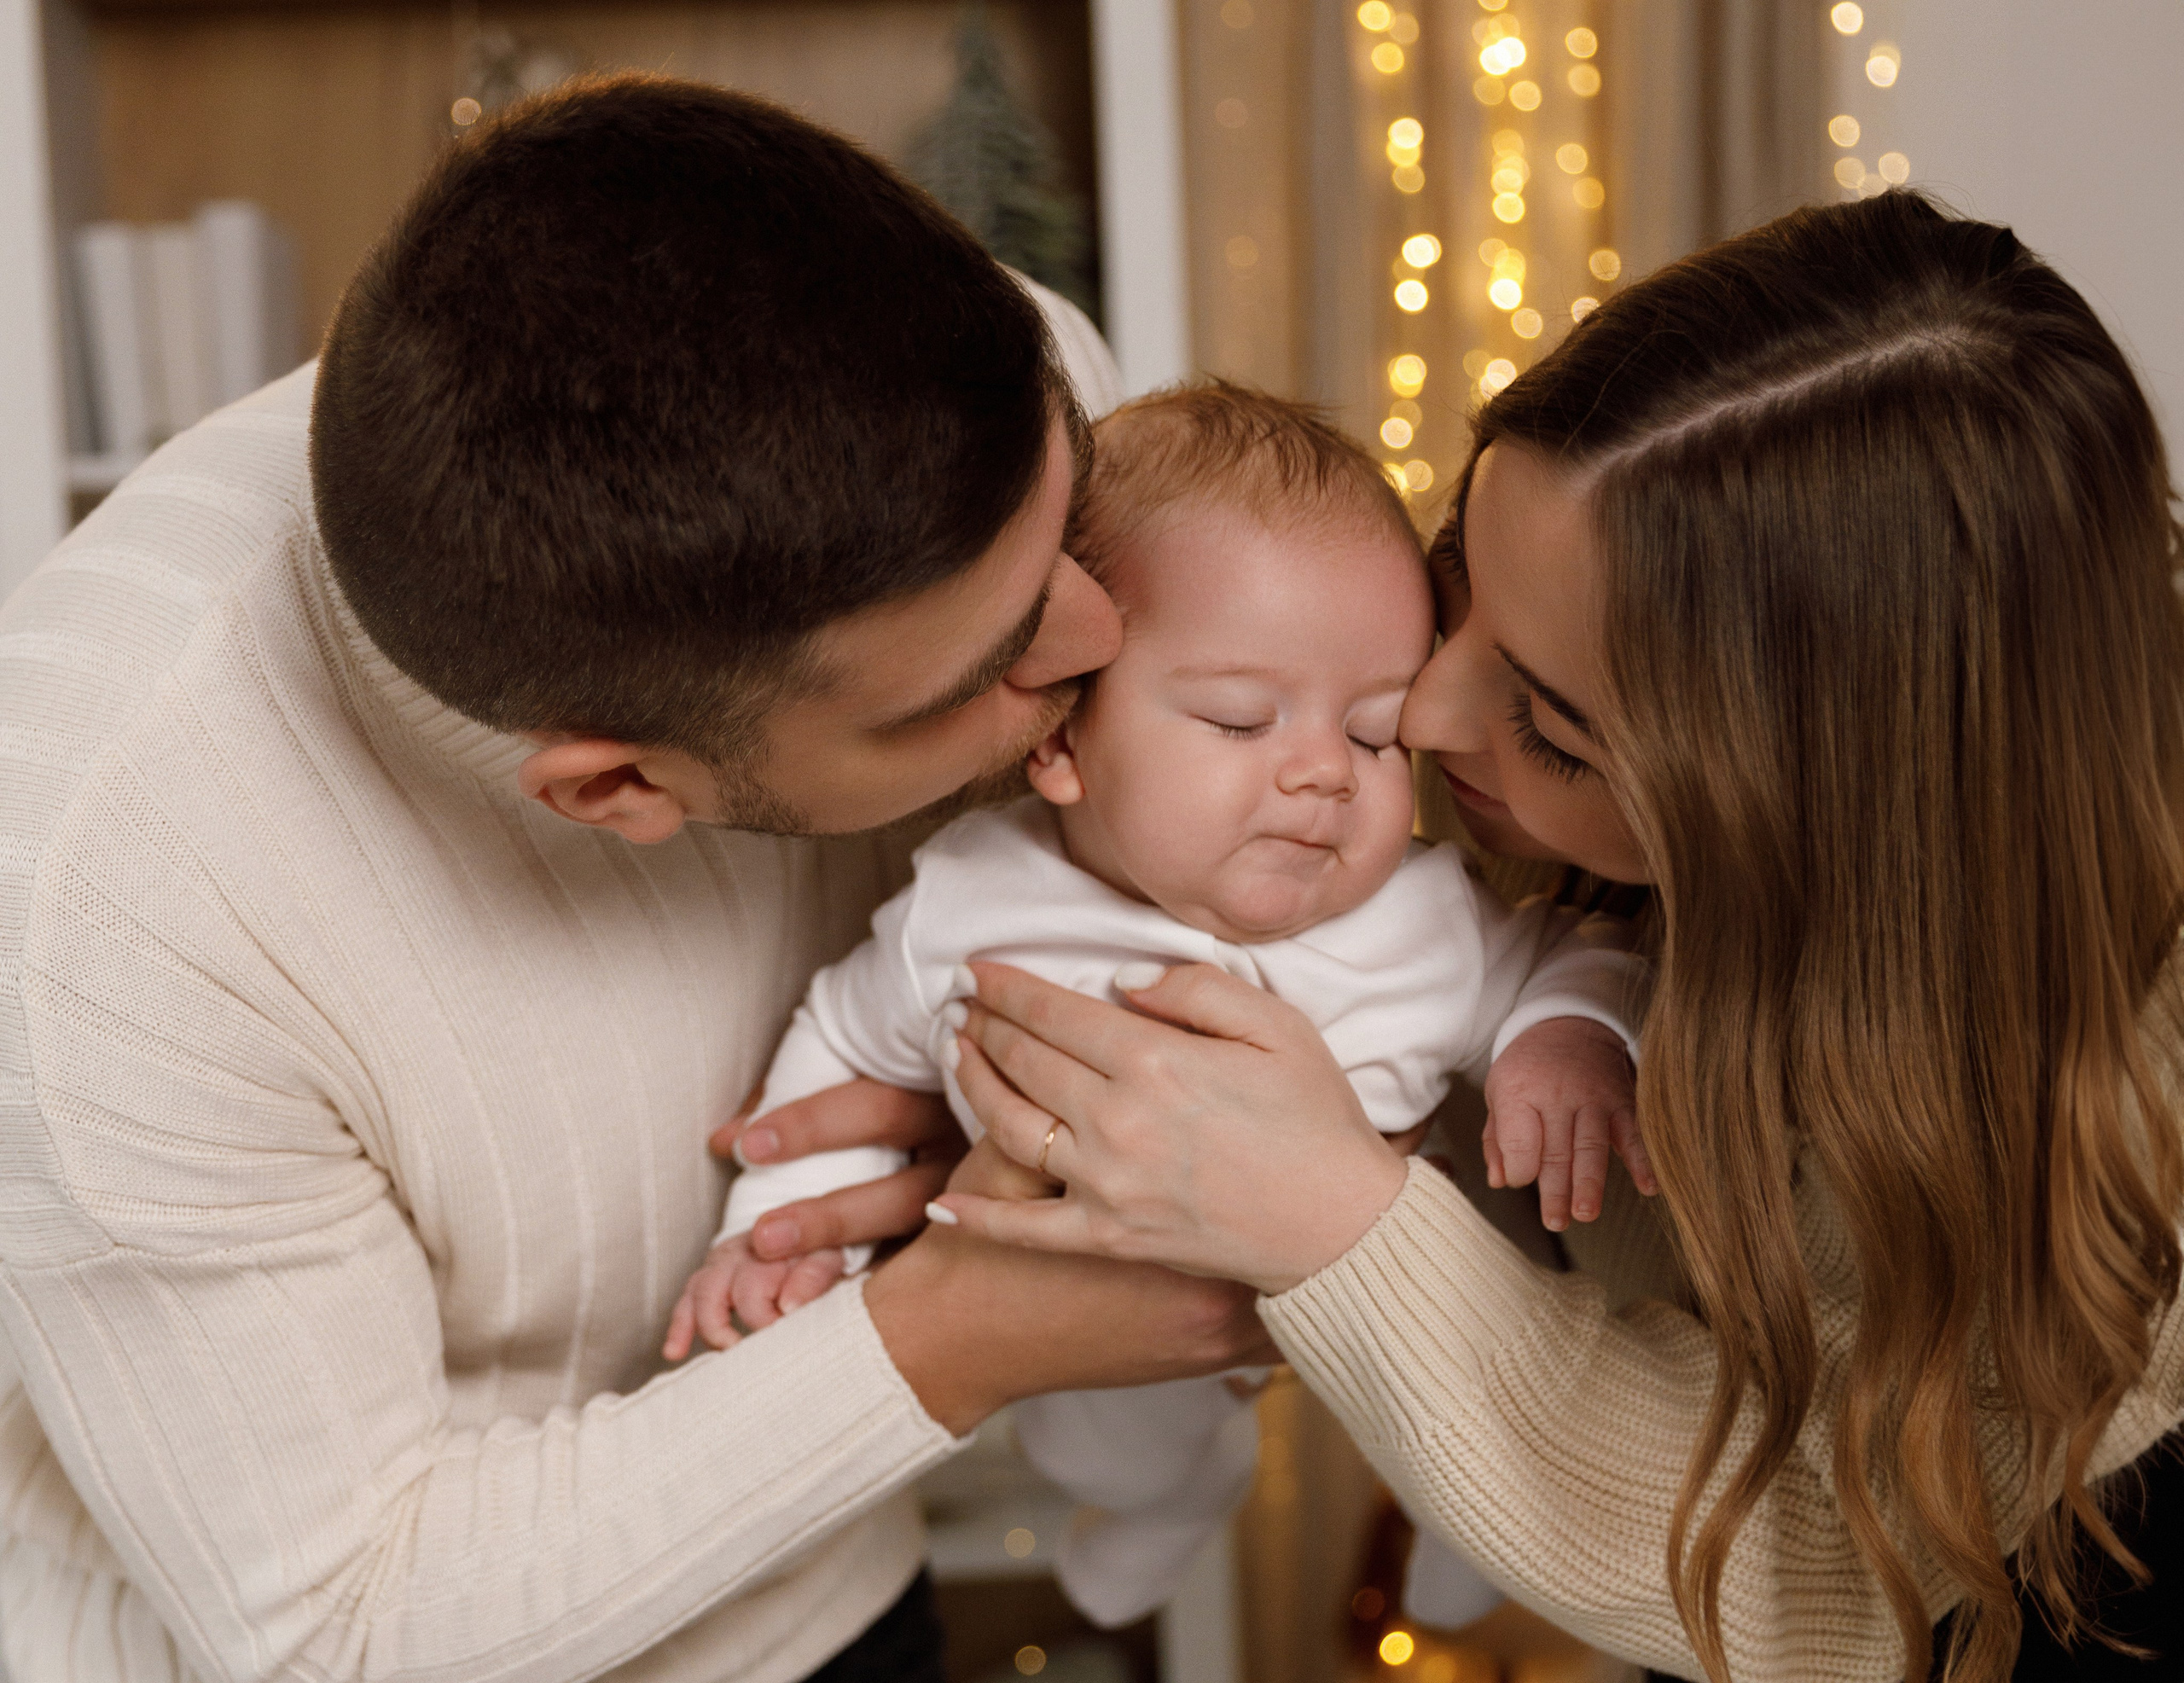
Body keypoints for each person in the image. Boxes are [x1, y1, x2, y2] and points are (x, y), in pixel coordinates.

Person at [0, 76, 1270, 1683]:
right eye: (987, 668)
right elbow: (341, 1625)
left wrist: (996, 1097)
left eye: (1071, 508)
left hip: (830, 1570)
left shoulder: (980, 393)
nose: (1102, 634)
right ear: (617, 789)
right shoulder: (98, 902)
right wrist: (958, 1331)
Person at [927, 192, 2184, 1680]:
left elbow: (1835, 1577)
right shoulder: (1520, 814)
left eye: (1552, 725)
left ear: (1825, 818)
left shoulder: (2106, 1106)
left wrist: (1337, 1221)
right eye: (1460, 568)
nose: (1420, 713)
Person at [670, 383, 1652, 1628]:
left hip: (1393, 1304)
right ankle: (1172, 1504)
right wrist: (775, 1232)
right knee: (1106, 1451)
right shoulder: (975, 902)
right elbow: (842, 1035)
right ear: (1060, 741)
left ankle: (1486, 1543)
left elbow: (1582, 952)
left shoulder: (1423, 919)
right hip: (1094, 1333)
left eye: (1375, 733)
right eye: (1241, 718)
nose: (1323, 772)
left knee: (1473, 1379)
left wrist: (1567, 1035)